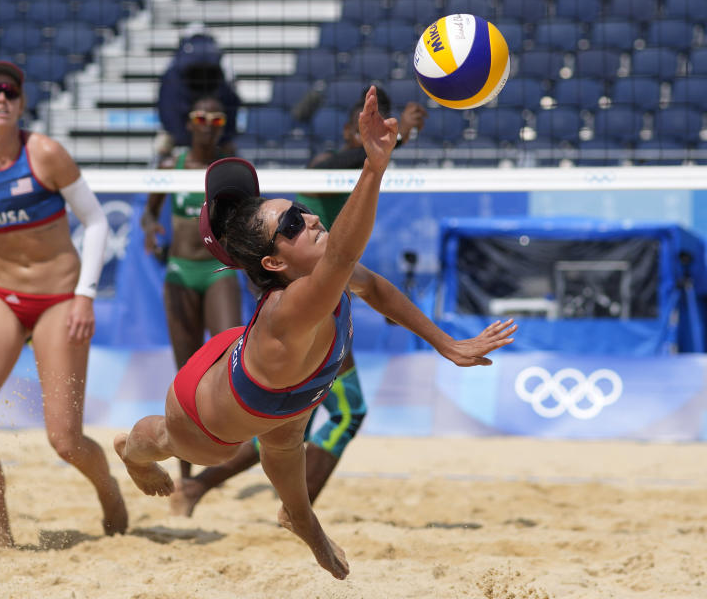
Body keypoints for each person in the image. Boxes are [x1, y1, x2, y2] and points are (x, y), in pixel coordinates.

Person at [114, 87, 516, 578]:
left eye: (300, 208)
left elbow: (376, 288)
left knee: (288, 460)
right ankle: (130, 456)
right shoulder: (293, 305)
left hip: (284, 396)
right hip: (208, 410)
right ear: (274, 261)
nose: (308, 216)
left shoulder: (324, 280)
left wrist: (446, 343)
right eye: (291, 222)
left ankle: (305, 524)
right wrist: (373, 166)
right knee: (168, 441)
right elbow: (345, 254)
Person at [169, 87, 428, 516]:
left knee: (286, 422)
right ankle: (282, 509)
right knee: (332, 415)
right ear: (351, 131)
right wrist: (387, 146)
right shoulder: (323, 167)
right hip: (307, 313)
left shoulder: (339, 192)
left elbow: (358, 271)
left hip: (322, 307)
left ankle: (205, 487)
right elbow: (341, 242)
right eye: (363, 127)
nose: (307, 217)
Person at [0, 61, 127, 547]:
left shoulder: (45, 154)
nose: (1, 99)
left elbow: (96, 223)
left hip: (60, 299)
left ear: (21, 102)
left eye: (9, 91)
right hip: (5, 298)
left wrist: (85, 297)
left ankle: (109, 489)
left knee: (65, 441)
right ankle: (3, 538)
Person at [141, 96, 244, 482]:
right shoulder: (173, 166)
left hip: (218, 270)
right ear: (189, 122)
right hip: (180, 271)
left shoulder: (228, 170)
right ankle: (185, 470)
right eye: (200, 116)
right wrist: (152, 229)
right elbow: (149, 212)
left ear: (221, 125)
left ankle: (227, 451)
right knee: (185, 371)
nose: (206, 123)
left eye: (215, 117)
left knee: (229, 359)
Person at [155, 30, 241, 161]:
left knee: (230, 157)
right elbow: (167, 106)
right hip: (181, 128)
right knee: (162, 150)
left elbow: (231, 103)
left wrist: (225, 137)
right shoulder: (174, 72)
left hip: (209, 129)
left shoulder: (221, 67)